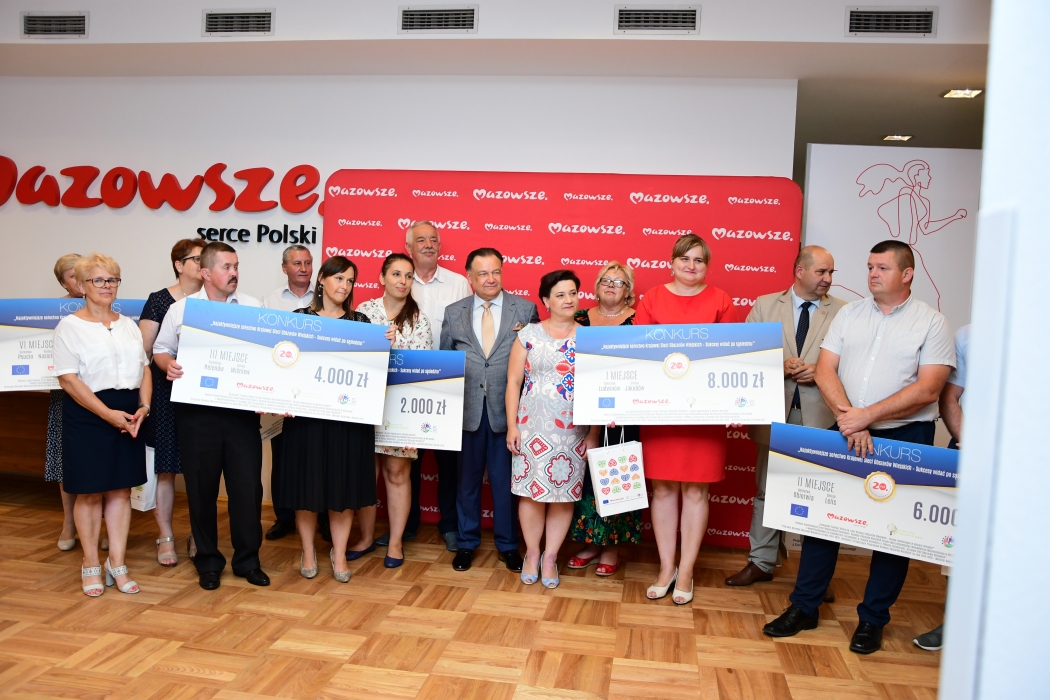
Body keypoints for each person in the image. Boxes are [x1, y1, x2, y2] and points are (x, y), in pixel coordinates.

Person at [762, 239, 955, 655]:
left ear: (907, 274)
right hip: (846, 428)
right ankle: (805, 607)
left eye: (882, 268)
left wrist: (865, 417)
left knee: (893, 534)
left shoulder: (932, 322)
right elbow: (826, 369)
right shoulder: (849, 314)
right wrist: (850, 418)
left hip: (906, 437)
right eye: (869, 266)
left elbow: (929, 388)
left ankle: (872, 619)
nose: (872, 274)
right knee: (823, 522)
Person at [726, 246, 845, 588]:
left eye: (831, 273)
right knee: (768, 490)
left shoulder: (844, 312)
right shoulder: (765, 306)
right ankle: (761, 562)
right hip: (774, 413)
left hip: (821, 418)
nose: (828, 279)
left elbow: (853, 363)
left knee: (817, 496)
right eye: (821, 272)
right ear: (800, 271)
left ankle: (814, 580)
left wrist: (820, 370)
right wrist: (780, 367)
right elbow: (746, 356)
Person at [153, 241, 269, 591]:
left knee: (247, 490)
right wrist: (168, 365)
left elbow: (267, 355)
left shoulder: (253, 307)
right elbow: (161, 349)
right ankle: (207, 561)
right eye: (226, 267)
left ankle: (248, 561)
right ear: (205, 272)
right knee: (201, 490)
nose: (234, 273)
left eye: (236, 266)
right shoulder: (181, 310)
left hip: (240, 414)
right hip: (196, 414)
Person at [633, 234, 738, 606]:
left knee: (696, 491)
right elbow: (639, 353)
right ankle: (666, 568)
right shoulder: (652, 298)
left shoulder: (721, 300)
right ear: (672, 262)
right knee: (662, 489)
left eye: (699, 260)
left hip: (705, 412)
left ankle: (687, 570)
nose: (691, 266)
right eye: (685, 259)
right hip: (661, 410)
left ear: (706, 265)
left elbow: (731, 356)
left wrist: (731, 403)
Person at [53, 253, 150, 597]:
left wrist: (144, 406)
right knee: (90, 491)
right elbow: (68, 380)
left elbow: (144, 368)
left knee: (121, 491)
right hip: (88, 415)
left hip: (130, 413)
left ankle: (117, 564)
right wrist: (108, 414)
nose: (106, 286)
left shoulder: (128, 325)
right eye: (98, 280)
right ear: (82, 286)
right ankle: (91, 562)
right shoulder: (69, 327)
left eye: (112, 279)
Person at [274, 256, 375, 583]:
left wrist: (385, 345)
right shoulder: (298, 320)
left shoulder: (362, 323)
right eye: (338, 278)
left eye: (350, 280)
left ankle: (339, 553)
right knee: (306, 488)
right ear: (321, 279)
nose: (344, 286)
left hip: (348, 422)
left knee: (342, 490)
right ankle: (308, 550)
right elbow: (282, 368)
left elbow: (373, 373)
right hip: (307, 421)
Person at [441, 247, 539, 573]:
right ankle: (466, 543)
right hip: (466, 413)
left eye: (496, 271)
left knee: (505, 484)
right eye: (482, 273)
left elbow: (535, 364)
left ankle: (508, 545)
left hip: (508, 415)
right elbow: (446, 363)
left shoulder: (524, 309)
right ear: (469, 277)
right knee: (466, 484)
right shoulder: (453, 312)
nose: (490, 278)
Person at [507, 269, 598, 588]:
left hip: (572, 430)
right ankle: (532, 554)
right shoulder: (528, 334)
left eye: (573, 293)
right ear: (546, 301)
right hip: (530, 427)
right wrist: (512, 426)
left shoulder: (588, 338)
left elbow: (597, 388)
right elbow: (513, 382)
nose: (568, 299)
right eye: (560, 295)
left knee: (563, 495)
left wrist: (593, 433)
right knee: (531, 494)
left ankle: (550, 557)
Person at [356, 253, 434, 568]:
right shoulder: (363, 311)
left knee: (397, 473)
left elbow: (422, 370)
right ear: (382, 277)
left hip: (401, 408)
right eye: (396, 274)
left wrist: (394, 346)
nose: (403, 281)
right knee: (365, 474)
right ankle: (365, 537)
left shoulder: (419, 320)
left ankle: (396, 543)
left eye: (409, 276)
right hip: (363, 405)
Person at [401, 221, 472, 553]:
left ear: (440, 246)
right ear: (409, 248)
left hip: (448, 387)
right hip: (405, 387)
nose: (428, 244)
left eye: (433, 239)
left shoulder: (459, 284)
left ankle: (450, 525)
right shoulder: (401, 281)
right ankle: (406, 524)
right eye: (421, 240)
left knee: (449, 464)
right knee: (406, 462)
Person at [567, 262, 641, 576]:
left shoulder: (638, 321)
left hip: (621, 412)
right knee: (585, 478)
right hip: (579, 408)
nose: (611, 285)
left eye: (619, 282)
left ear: (629, 291)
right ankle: (590, 543)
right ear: (596, 287)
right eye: (605, 280)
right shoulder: (579, 318)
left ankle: (612, 546)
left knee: (615, 474)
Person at [138, 239, 204, 566]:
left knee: (200, 469)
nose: (202, 265)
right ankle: (165, 535)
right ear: (179, 264)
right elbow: (144, 351)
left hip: (202, 395)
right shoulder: (160, 300)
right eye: (197, 259)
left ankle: (198, 533)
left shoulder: (213, 301)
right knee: (166, 468)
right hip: (166, 393)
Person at [913, 322, 968, 652]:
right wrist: (969, 441)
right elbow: (950, 396)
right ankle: (956, 623)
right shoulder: (969, 335)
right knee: (957, 541)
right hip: (969, 449)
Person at [261, 244, 315, 542]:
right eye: (297, 263)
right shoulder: (269, 301)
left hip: (315, 390)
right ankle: (284, 517)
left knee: (315, 456)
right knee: (282, 456)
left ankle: (318, 515)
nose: (304, 268)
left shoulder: (325, 298)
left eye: (308, 262)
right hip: (281, 391)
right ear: (285, 268)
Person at [47, 253, 85, 552]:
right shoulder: (49, 313)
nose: (81, 280)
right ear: (63, 282)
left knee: (99, 460)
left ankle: (101, 525)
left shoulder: (111, 308)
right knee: (66, 459)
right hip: (64, 394)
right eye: (74, 276)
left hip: (102, 392)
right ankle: (69, 522)